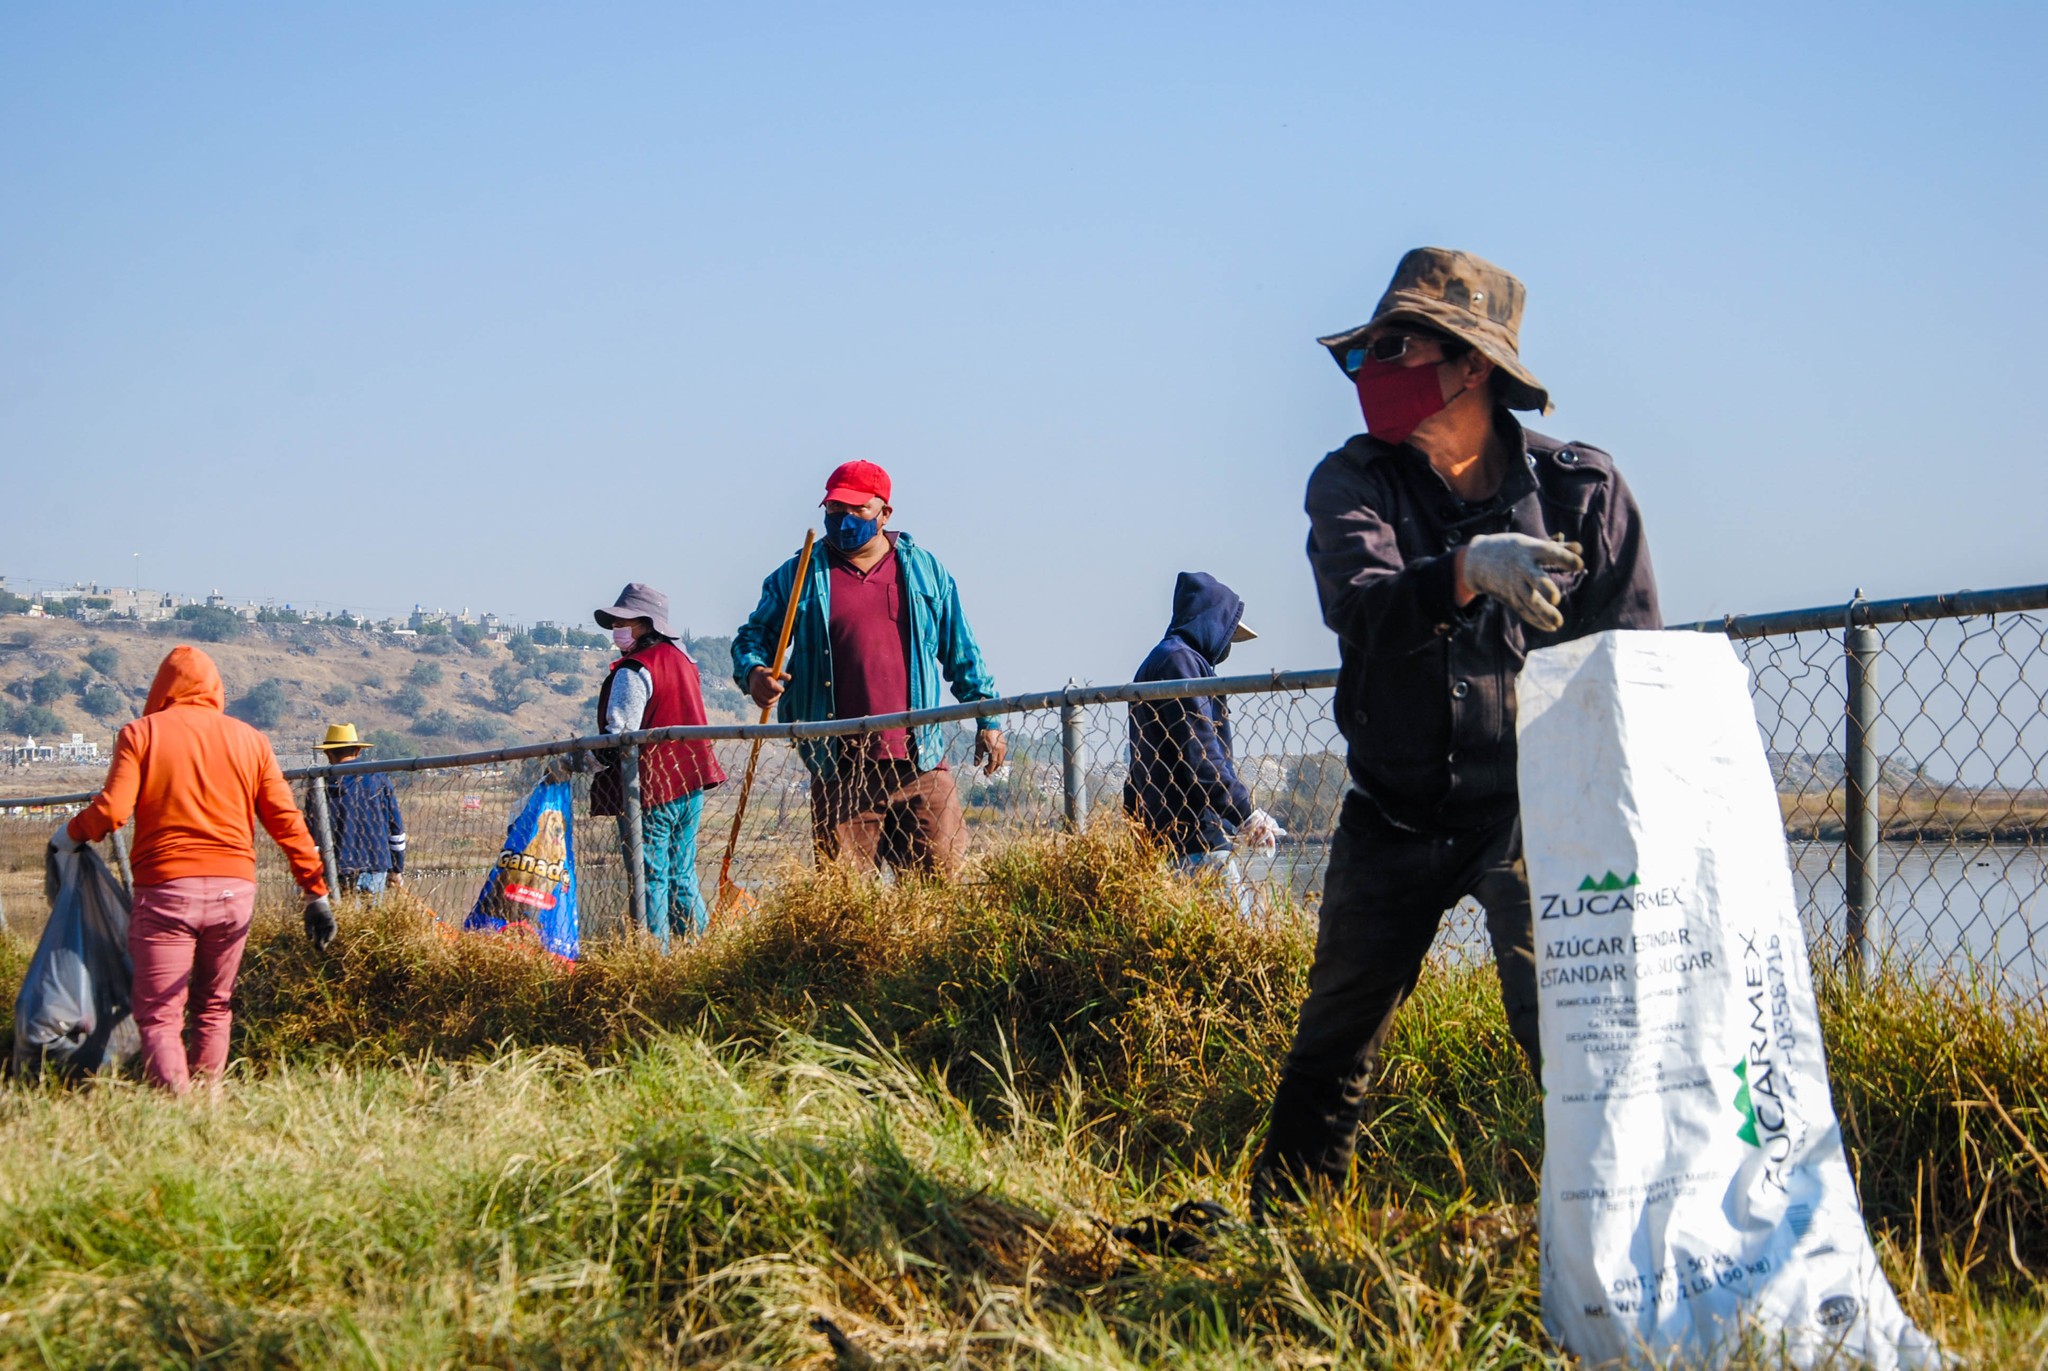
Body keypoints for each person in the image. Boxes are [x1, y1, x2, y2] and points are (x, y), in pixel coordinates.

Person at [1253, 247, 1661, 1206]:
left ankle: (1618, 1241)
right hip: (1394, 810)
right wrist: (1465, 570)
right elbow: (1363, 609)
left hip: (1537, 818)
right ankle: (1277, 1238)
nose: (1371, 373)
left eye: (1395, 348)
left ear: (1471, 365)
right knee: (1334, 1044)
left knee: (1574, 1032)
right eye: (1363, 355)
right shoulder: (1352, 484)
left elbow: (1637, 668)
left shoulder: (1581, 495)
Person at [51, 645, 332, 1094]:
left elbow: (113, 810)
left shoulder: (141, 734)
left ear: (162, 688)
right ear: (216, 688)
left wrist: (68, 836)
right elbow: (286, 821)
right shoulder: (251, 740)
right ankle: (207, 1101)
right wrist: (315, 892)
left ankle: (175, 1108)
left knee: (160, 1012)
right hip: (234, 893)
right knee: (214, 1005)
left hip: (166, 892)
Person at [734, 460, 1005, 876]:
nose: (843, 520)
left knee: (939, 891)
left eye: (856, 509)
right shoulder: (800, 574)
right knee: (845, 902)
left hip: (921, 763)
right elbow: (753, 639)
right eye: (834, 510)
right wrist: (755, 674)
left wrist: (986, 715)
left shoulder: (924, 572)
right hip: (841, 769)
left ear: (885, 514)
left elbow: (962, 652)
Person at [1123, 572, 1282, 917]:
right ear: (1212, 624)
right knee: (1236, 940)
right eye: (1228, 634)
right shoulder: (1180, 662)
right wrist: (1245, 813)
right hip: (1194, 831)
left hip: (1165, 831)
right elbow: (1200, 751)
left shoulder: (1164, 660)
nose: (1227, 648)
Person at [593, 582, 726, 949]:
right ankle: (705, 953)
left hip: (650, 788)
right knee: (681, 874)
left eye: (627, 622)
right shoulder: (685, 662)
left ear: (647, 624)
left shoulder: (634, 670)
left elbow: (619, 735)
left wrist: (578, 761)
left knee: (650, 877)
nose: (618, 630)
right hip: (690, 783)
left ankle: (655, 956)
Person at [313, 723, 406, 903]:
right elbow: (397, 831)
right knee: (372, 926)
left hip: (337, 868)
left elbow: (312, 839)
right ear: (358, 751)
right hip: (377, 863)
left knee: (341, 923)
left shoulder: (319, 787)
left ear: (328, 753)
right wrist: (396, 869)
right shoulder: (379, 780)